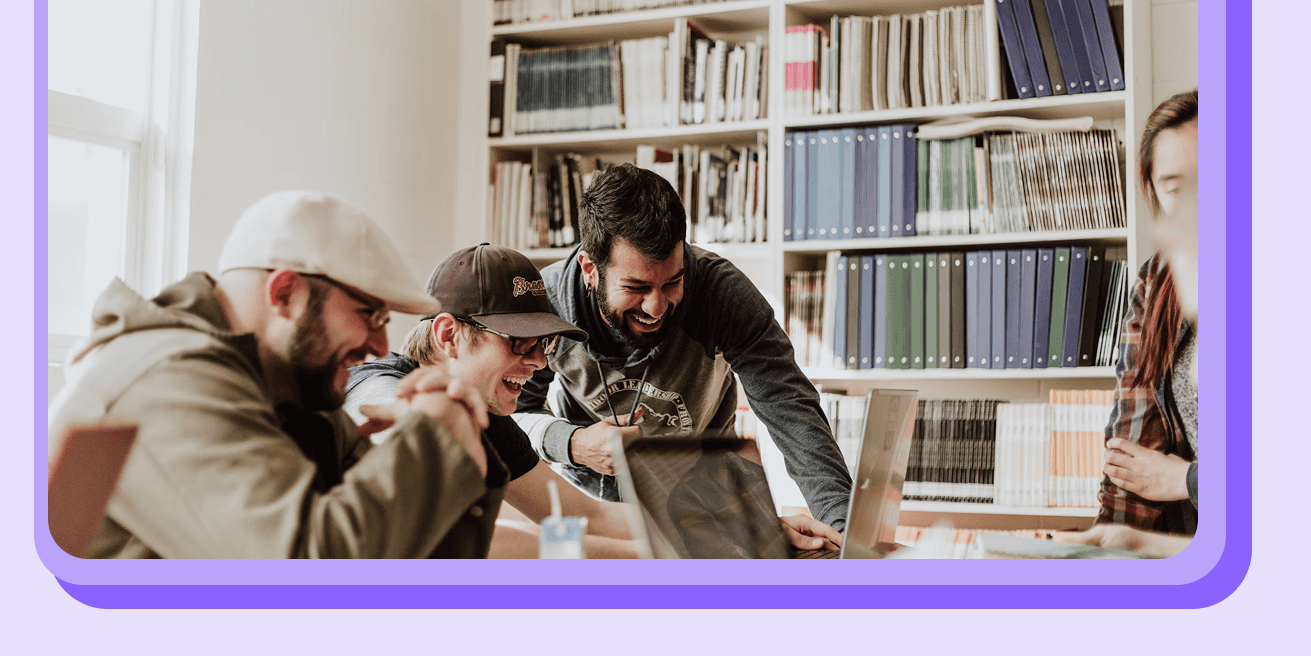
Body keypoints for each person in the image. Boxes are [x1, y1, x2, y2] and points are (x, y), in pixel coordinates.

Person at [46, 191, 502, 558]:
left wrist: (460, 439)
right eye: (370, 314)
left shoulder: (290, 390)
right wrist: (433, 436)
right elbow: (305, 575)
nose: (381, 347)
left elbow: (414, 566)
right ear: (285, 293)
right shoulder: (167, 380)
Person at [344, 243, 845, 556]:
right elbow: (482, 542)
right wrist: (679, 558)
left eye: (542, 344)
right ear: (450, 335)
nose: (539, 363)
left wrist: (752, 531)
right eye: (518, 343)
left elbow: (586, 515)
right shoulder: (379, 384)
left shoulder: (489, 418)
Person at [511, 163, 855, 537]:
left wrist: (843, 531)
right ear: (590, 268)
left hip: (705, 502)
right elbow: (511, 416)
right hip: (591, 510)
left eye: (672, 282)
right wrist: (572, 443)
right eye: (636, 288)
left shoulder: (722, 294)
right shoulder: (547, 306)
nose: (656, 307)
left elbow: (791, 408)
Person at [1095, 90, 1200, 534]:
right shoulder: (1158, 282)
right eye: (1176, 189)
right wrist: (1105, 548)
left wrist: (1186, 479)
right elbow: (1131, 458)